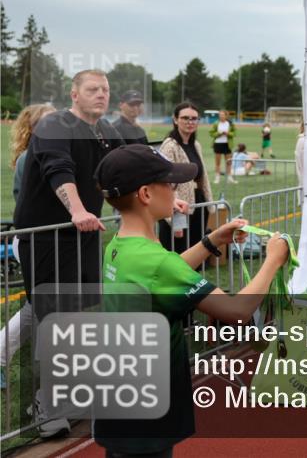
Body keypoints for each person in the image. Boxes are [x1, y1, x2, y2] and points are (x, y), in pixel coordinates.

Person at [92, 144, 290, 457]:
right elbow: (237, 311)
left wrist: (212, 241)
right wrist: (273, 260)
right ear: (146, 194)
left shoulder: (120, 245)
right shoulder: (157, 262)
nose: (175, 190)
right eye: (169, 184)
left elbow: (165, 275)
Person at [12, 70, 134, 437]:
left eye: (105, 89)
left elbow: (127, 163)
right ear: (74, 94)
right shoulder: (55, 125)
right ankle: (45, 404)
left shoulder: (104, 130)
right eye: (93, 89)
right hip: (48, 239)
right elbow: (59, 170)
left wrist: (161, 194)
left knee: (77, 315)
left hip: (83, 236)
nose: (101, 94)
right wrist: (78, 210)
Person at [1, 104, 56, 391]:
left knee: (40, 308)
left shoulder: (51, 154)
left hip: (49, 241)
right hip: (35, 241)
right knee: (41, 307)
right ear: (32, 128)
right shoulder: (30, 158)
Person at [157, 102, 213, 254]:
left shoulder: (196, 145)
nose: (190, 122)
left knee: (196, 249)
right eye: (185, 118)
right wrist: (175, 218)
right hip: (179, 206)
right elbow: (166, 182)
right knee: (178, 251)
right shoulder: (170, 146)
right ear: (175, 120)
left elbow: (202, 176)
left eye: (194, 118)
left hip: (198, 202)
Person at [209, 109, 236, 184]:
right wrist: (218, 133)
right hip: (218, 144)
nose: (221, 116)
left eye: (223, 115)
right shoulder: (216, 123)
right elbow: (211, 133)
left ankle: (229, 177)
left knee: (228, 162)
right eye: (220, 115)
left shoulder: (230, 124)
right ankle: (217, 178)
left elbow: (234, 133)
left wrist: (228, 133)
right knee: (217, 162)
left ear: (226, 116)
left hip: (227, 144)